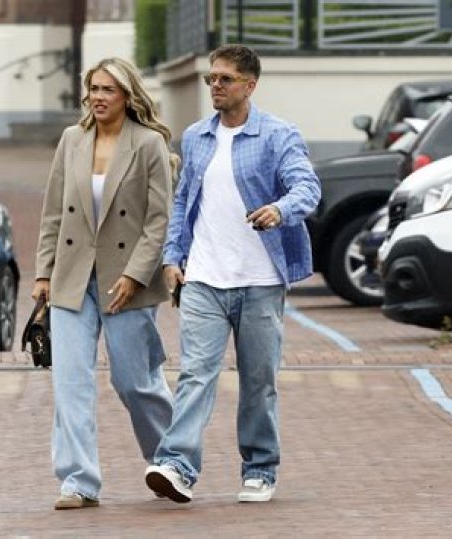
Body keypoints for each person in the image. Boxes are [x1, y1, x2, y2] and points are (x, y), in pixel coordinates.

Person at [144, 44, 321, 504]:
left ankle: (260, 468)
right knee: (195, 375)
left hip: (260, 281)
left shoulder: (278, 135)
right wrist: (172, 256)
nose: (215, 86)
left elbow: (307, 187)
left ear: (250, 85)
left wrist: (280, 210)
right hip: (204, 277)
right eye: (211, 78)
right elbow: (183, 201)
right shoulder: (196, 137)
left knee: (258, 381)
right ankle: (177, 466)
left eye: (225, 79)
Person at [32, 57, 178, 510]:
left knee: (135, 382)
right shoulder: (72, 140)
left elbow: (159, 220)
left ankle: (171, 460)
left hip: (127, 280)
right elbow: (53, 212)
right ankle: (78, 481)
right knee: (70, 383)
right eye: (93, 88)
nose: (97, 97)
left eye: (107, 90)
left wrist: (136, 274)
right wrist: (43, 273)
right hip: (72, 276)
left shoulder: (149, 143)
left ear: (127, 96)